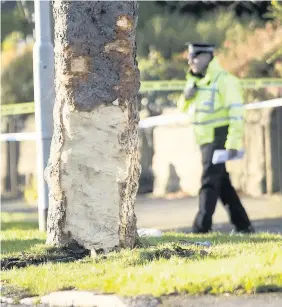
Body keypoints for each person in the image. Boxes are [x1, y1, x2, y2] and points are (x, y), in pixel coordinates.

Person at [177, 43, 254, 234]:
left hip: (219, 137)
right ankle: (243, 225)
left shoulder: (225, 81)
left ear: (208, 56)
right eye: (189, 56)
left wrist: (233, 143)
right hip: (204, 140)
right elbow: (183, 109)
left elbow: (237, 115)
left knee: (209, 181)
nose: (190, 60)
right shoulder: (195, 81)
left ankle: (201, 227)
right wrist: (186, 97)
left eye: (194, 56)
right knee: (222, 184)